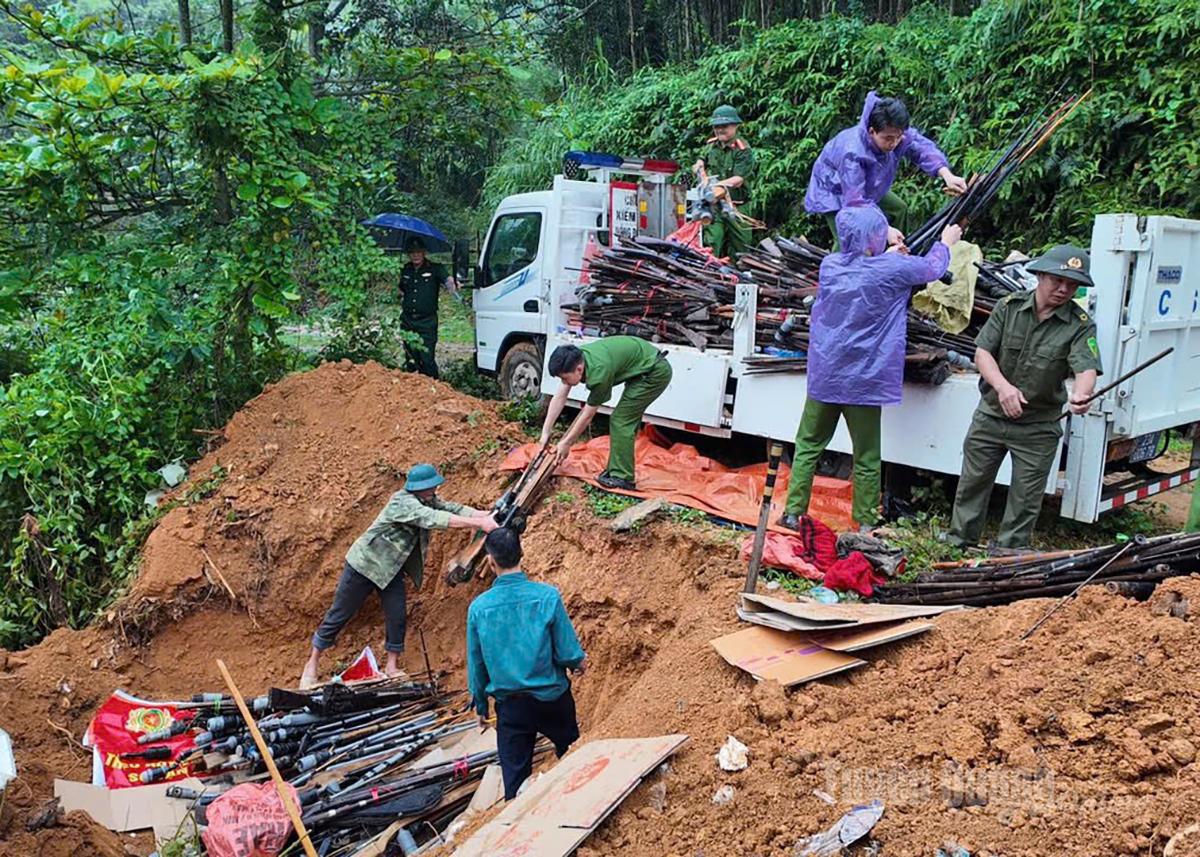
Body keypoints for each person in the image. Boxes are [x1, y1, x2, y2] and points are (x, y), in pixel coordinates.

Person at [779, 205, 960, 532]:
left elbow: (865, 267)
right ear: (874, 237)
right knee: (866, 454)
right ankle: (864, 522)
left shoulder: (830, 265)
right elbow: (932, 268)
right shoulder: (893, 269)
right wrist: (945, 242)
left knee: (808, 444)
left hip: (826, 374)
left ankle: (793, 513)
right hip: (863, 379)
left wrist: (887, 252)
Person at [944, 246, 1103, 553]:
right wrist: (1003, 388)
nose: (1064, 289)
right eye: (1057, 280)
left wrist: (1083, 394)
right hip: (991, 415)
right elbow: (982, 352)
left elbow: (1086, 367)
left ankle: (1008, 555)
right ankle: (959, 544)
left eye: (1072, 284)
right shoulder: (1009, 306)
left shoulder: (1080, 324)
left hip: (1038, 426)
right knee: (972, 484)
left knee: (1025, 498)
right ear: (1041, 275)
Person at [300, 463, 497, 689]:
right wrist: (479, 523)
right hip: (364, 564)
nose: (434, 490)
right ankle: (312, 664)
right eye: (431, 486)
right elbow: (432, 518)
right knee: (340, 613)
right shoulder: (401, 502)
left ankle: (391, 667)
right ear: (419, 487)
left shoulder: (427, 499)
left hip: (390, 569)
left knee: (397, 615)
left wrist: (485, 515)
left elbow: (450, 509)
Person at [466, 527, 586, 800]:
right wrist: (579, 663)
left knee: (515, 783)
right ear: (522, 554)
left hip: (512, 707)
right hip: (552, 698)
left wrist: (481, 705)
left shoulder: (479, 608)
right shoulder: (547, 596)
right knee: (571, 757)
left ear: (490, 561)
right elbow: (567, 651)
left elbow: (477, 664)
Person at [805, 92, 968, 249]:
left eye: (898, 137)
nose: (894, 143)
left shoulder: (896, 131)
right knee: (850, 237)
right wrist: (884, 229)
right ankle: (839, 274)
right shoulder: (852, 152)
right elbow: (855, 201)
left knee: (898, 208)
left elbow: (921, 149)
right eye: (888, 138)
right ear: (872, 132)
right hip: (836, 190)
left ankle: (894, 252)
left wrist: (946, 174)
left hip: (867, 186)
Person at [539, 336, 673, 491]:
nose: (564, 382)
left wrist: (567, 443)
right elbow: (560, 396)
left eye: (565, 378)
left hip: (654, 373)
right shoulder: (577, 357)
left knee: (621, 419)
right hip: (643, 368)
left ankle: (622, 477)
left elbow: (587, 415)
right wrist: (545, 432)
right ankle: (617, 467)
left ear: (579, 369)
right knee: (625, 419)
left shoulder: (599, 372)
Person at [691, 104, 757, 259]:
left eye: (724, 126)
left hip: (737, 205)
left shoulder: (743, 150)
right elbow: (701, 160)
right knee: (711, 242)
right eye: (717, 127)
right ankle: (709, 274)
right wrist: (699, 167)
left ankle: (740, 278)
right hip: (714, 206)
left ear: (735, 126)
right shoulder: (712, 145)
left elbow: (738, 179)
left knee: (742, 248)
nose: (720, 130)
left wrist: (717, 186)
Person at [399, 237, 457, 378]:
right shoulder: (405, 270)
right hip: (408, 321)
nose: (416, 255)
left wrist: (453, 285)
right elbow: (400, 290)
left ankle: (434, 388)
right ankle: (412, 392)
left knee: (427, 359)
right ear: (408, 254)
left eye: (418, 252)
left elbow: (447, 280)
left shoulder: (435, 268)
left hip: (427, 322)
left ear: (424, 252)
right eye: (412, 252)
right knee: (411, 360)